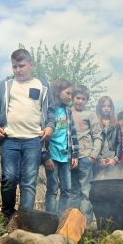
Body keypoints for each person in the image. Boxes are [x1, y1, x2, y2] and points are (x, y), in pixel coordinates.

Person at [0, 49, 55, 234]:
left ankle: (25, 220)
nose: (18, 70)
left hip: (33, 140)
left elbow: (51, 112)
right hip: (9, 139)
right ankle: (8, 215)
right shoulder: (6, 85)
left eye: (22, 65)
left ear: (31, 65)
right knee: (9, 179)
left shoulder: (42, 85)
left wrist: (50, 126)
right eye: (15, 66)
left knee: (29, 182)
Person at [42, 79, 79, 215]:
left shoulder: (67, 111)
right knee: (52, 189)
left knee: (67, 189)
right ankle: (50, 218)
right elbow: (41, 135)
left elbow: (73, 135)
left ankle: (61, 218)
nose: (70, 97)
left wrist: (75, 155)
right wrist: (46, 157)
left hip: (66, 157)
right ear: (58, 92)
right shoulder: (47, 110)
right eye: (68, 93)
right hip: (52, 156)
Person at [70, 85, 102, 223]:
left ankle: (85, 223)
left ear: (87, 100)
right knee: (72, 190)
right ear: (72, 98)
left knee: (85, 191)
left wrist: (93, 155)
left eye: (83, 99)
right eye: (78, 98)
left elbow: (97, 135)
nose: (80, 101)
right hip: (70, 157)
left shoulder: (90, 115)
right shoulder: (67, 113)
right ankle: (71, 222)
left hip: (85, 157)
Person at [94, 96, 122, 178]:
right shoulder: (95, 122)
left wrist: (115, 159)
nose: (106, 108)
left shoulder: (116, 124)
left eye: (108, 106)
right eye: (103, 106)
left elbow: (119, 143)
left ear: (111, 108)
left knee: (113, 184)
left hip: (112, 159)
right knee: (98, 184)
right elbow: (92, 142)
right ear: (99, 107)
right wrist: (98, 159)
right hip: (99, 160)